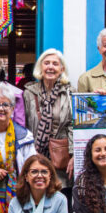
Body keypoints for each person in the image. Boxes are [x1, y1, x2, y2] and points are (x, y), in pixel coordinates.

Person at [23, 49, 75, 186]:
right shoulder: (29, 93)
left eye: (55, 64)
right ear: (41, 67)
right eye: (46, 63)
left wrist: (74, 154)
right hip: (36, 155)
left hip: (61, 159)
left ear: (61, 68)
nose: (50, 67)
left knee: (60, 195)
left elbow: (73, 125)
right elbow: (24, 124)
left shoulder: (69, 93)